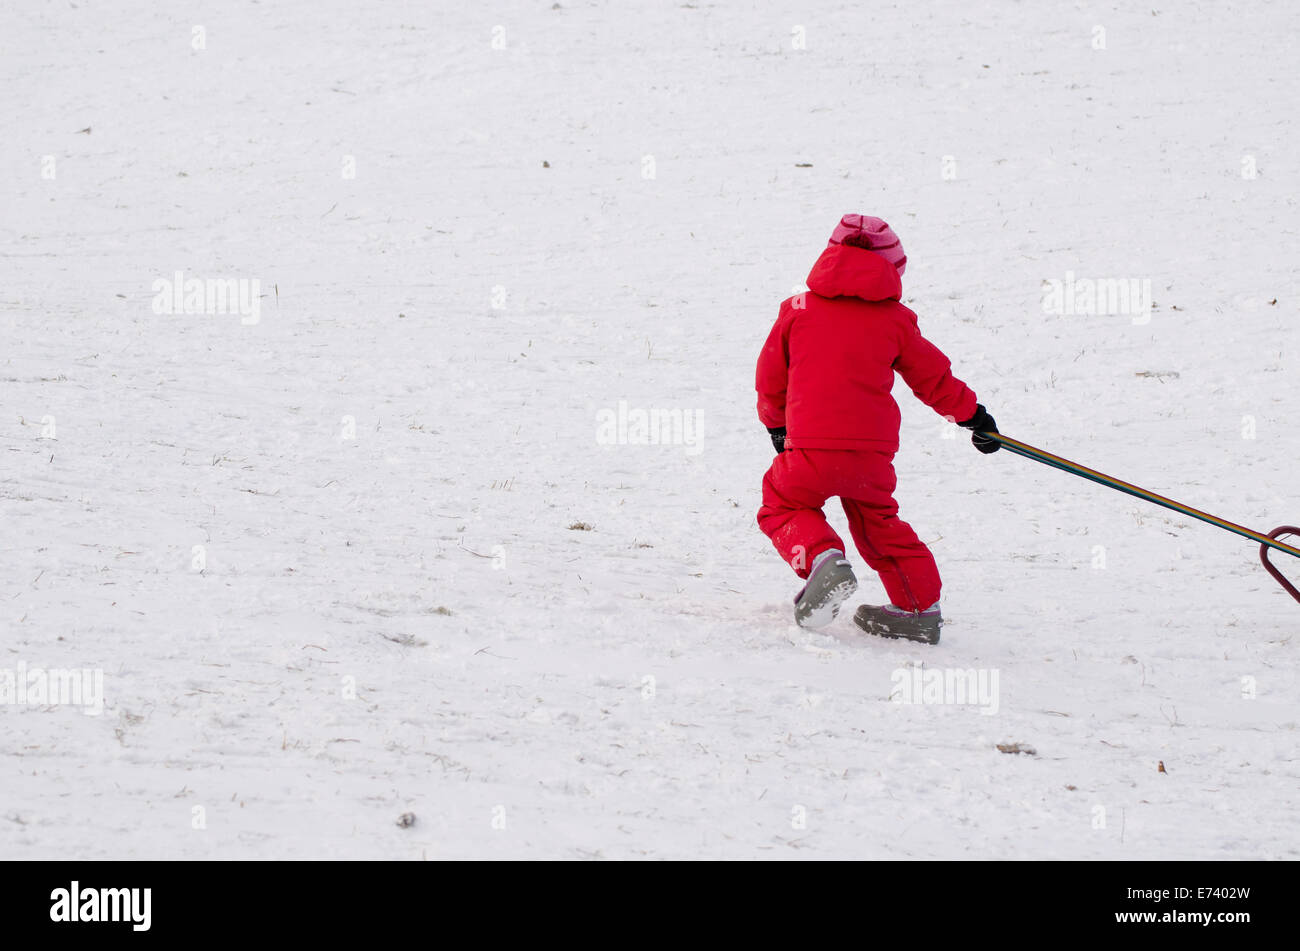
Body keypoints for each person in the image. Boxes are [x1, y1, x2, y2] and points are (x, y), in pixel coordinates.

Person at [755, 214, 1000, 644]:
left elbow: (771, 375)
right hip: (870, 455)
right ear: (892, 270)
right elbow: (933, 378)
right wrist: (973, 418)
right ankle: (918, 610)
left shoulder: (796, 310)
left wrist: (777, 426)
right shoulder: (895, 320)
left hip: (809, 446)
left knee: (782, 502)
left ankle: (822, 558)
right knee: (880, 524)